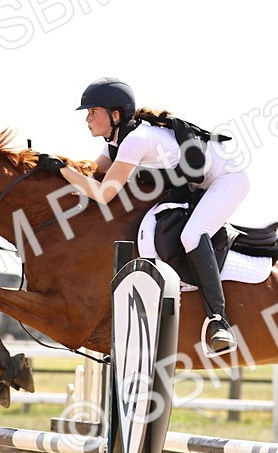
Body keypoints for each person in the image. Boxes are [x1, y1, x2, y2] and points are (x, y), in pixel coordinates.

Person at [37, 77, 249, 355]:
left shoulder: (136, 139)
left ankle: (218, 322)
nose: (87, 119)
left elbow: (104, 194)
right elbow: (93, 170)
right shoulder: (114, 140)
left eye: (92, 112)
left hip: (227, 179)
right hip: (197, 185)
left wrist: (63, 171)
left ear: (115, 115)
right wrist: (56, 166)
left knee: (192, 234)